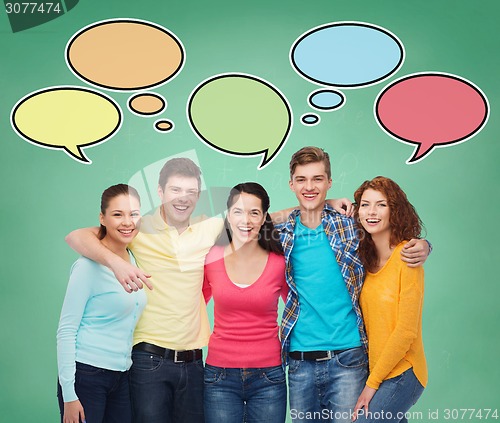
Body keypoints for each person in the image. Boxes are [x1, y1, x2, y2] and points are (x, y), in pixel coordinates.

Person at [65, 157, 351, 422]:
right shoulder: (138, 229)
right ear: (160, 192)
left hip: (196, 362)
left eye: (190, 191)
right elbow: (77, 236)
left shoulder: (211, 231)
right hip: (149, 357)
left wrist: (324, 203)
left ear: (198, 196)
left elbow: (259, 218)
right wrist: (116, 263)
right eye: (175, 189)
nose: (183, 198)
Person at [275, 147, 431, 423]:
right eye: (301, 180)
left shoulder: (349, 227)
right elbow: (235, 226)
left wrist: (426, 246)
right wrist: (316, 203)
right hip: (299, 362)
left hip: (348, 358)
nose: (309, 187)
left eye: (318, 180)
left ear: (329, 182)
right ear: (291, 184)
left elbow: (392, 237)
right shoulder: (280, 232)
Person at [57, 184, 147, 423]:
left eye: (133, 214)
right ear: (102, 219)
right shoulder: (87, 266)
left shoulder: (135, 257)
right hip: (87, 376)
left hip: (122, 376)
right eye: (118, 214)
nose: (127, 222)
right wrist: (69, 394)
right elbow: (66, 330)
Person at [203, 182, 288, 423]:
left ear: (264, 218)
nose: (246, 220)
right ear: (228, 216)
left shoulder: (279, 262)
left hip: (268, 377)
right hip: (219, 376)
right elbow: (193, 304)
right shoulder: (210, 257)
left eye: (254, 212)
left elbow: (298, 310)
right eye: (238, 211)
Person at [352, 177, 427, 422]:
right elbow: (314, 210)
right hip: (376, 371)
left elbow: (405, 332)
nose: (371, 212)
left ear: (395, 211)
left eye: (381, 205)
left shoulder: (408, 257)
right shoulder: (363, 258)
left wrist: (371, 385)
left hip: (404, 371)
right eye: (365, 204)